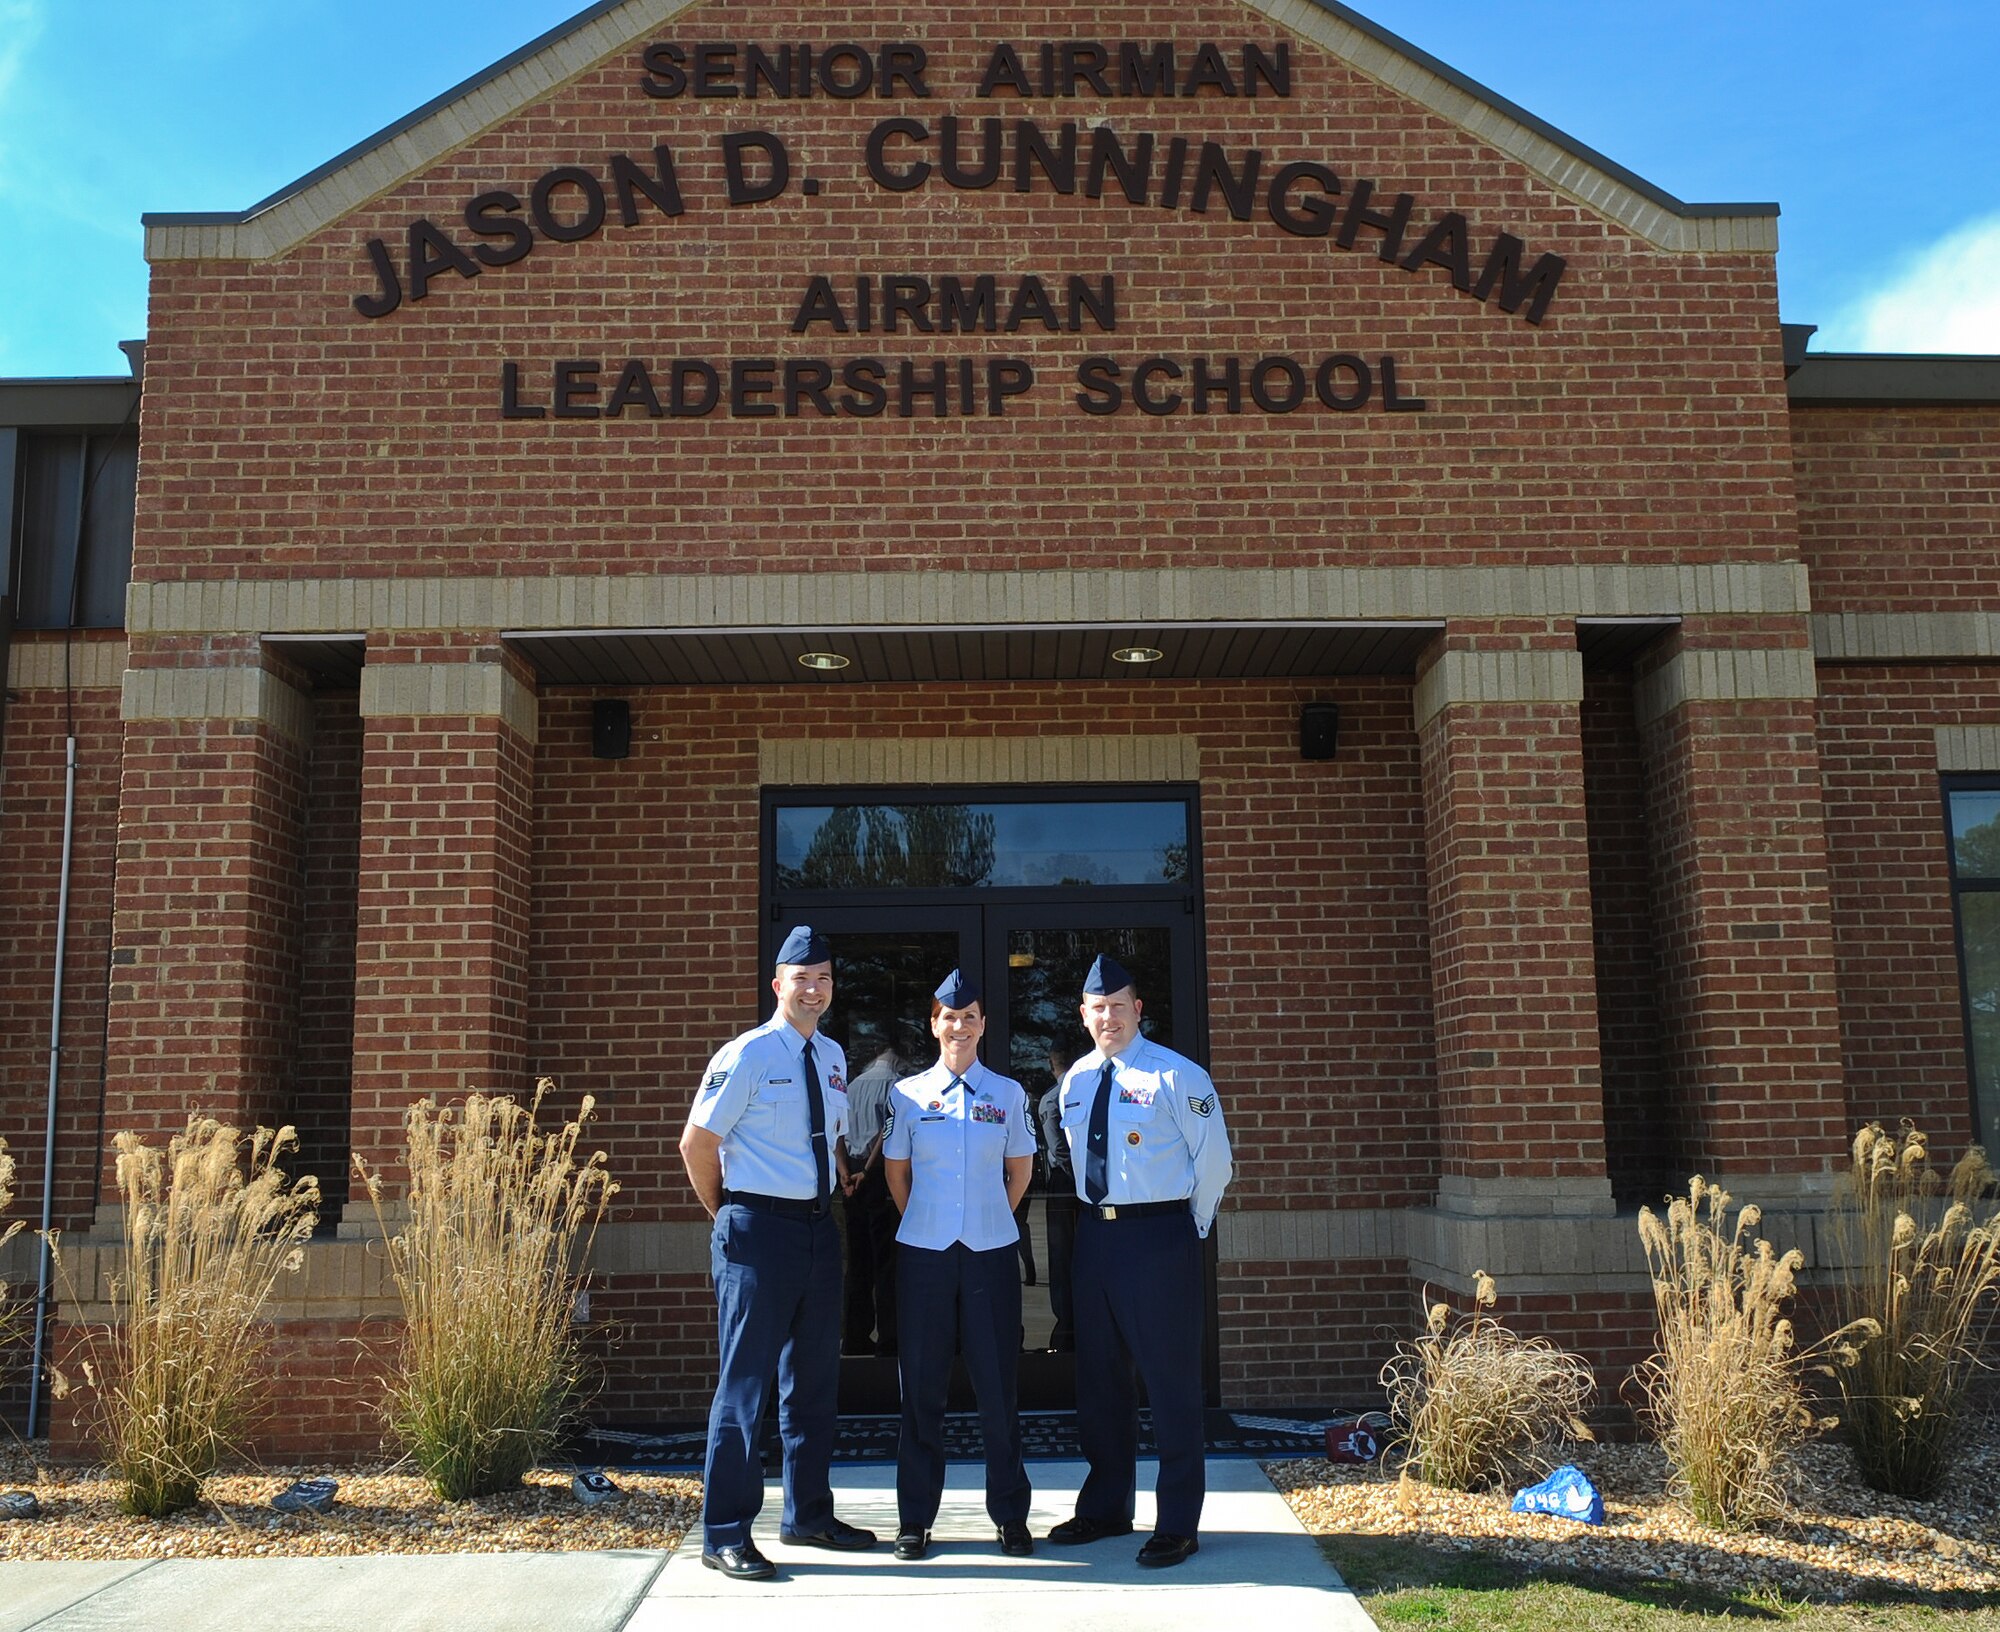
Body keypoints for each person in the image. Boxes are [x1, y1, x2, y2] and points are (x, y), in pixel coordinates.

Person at [678, 925, 879, 1581]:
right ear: (778, 985)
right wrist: (733, 1216)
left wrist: (836, 1178)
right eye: (802, 979)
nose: (814, 989)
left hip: (820, 1230)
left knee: (814, 1384)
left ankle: (808, 1515)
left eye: (823, 978)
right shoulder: (747, 1055)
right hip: (758, 1231)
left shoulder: (831, 1056)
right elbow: (697, 1145)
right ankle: (725, 1533)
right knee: (745, 1390)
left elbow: (830, 1140)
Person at [1046, 953, 1232, 1569]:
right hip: (1095, 1240)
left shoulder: (1178, 1076)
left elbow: (1214, 1163)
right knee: (1099, 1381)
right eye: (1097, 1008)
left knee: (1171, 1384)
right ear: (1083, 1014)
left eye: (1118, 1006)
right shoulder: (1075, 1079)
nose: (1108, 1018)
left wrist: (1190, 1228)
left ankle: (1178, 1521)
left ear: (1137, 1010)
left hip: (1158, 1238)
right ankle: (1105, 1507)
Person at [882, 970, 1038, 1562]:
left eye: (970, 1016)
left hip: (990, 1254)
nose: (960, 1026)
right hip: (924, 1256)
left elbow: (1019, 1172)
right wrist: (927, 1220)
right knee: (921, 1390)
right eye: (950, 1017)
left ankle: (1010, 1516)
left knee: (998, 1389)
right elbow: (898, 1174)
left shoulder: (1008, 1094)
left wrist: (986, 1218)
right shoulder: (908, 1095)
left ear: (983, 1025)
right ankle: (915, 1520)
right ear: (934, 1025)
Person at [840, 1043, 902, 1357]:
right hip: (877, 1175)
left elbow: (837, 1131)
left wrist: (845, 1172)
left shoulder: (852, 1086)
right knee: (886, 1263)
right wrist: (867, 1169)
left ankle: (854, 1336)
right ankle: (890, 1339)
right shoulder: (895, 1085)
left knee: (858, 1261)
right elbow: (886, 1134)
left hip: (850, 1177)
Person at [1037, 1044, 1077, 1351]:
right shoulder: (1086, 1091)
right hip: (1086, 1182)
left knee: (1061, 1256)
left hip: (1064, 1184)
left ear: (1052, 1064)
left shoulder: (1051, 1098)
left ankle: (1066, 1325)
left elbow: (1057, 1148)